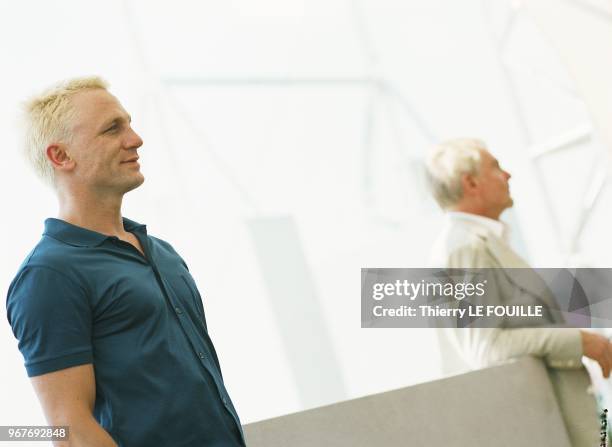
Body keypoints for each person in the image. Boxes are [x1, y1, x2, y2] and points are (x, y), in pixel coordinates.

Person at [6, 77, 245, 447]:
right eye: (112, 129)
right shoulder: (49, 275)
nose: (135, 139)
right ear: (61, 156)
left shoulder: (162, 253)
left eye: (129, 124)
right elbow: (69, 430)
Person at [426, 137, 608, 446]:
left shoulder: (478, 243)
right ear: (470, 183)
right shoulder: (465, 248)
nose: (507, 175)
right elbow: (487, 348)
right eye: (495, 167)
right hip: (538, 425)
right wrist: (581, 341)